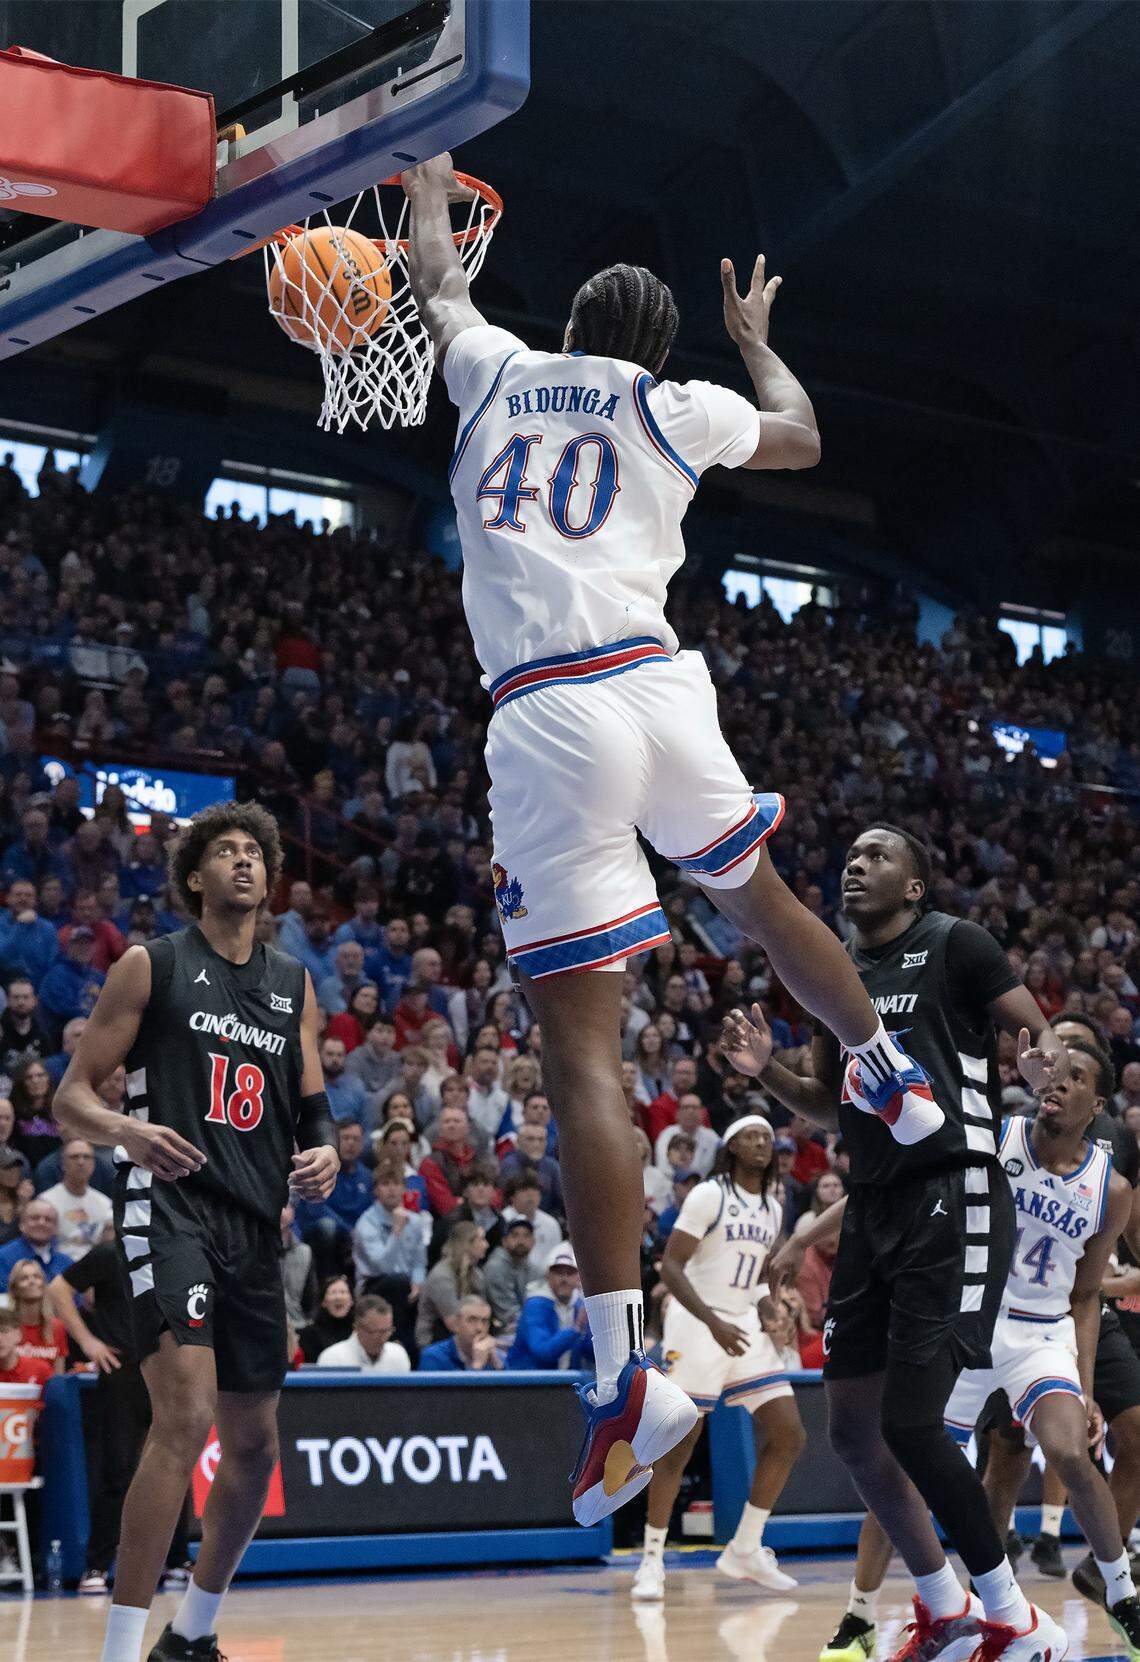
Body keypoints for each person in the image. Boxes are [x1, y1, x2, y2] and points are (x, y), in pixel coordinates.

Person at [404, 154, 939, 1525]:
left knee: (581, 1049)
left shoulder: (500, 370)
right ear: (656, 340)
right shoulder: (678, 401)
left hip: (546, 709)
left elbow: (439, 280)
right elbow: (805, 438)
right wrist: (763, 352)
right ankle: (885, 1072)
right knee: (757, 898)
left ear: (575, 323)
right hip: (658, 682)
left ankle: (620, 1373)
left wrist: (416, 168)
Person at [723, 822, 1070, 1662]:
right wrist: (768, 1070)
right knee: (852, 1431)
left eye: (877, 857)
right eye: (849, 857)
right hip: (873, 1205)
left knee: (914, 1423)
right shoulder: (831, 971)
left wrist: (1042, 1067)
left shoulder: (956, 944)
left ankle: (1016, 1618)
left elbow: (1040, 1034)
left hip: (955, 1192)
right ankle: (945, 1608)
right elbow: (831, 1100)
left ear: (914, 886)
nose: (856, 866)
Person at [53, 802, 338, 1662]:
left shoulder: (294, 984)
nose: (245, 862)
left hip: (254, 1222)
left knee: (254, 1445)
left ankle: (194, 1634)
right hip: (165, 1205)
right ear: (194, 876)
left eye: (256, 851)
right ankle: (117, 1650)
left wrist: (322, 1156)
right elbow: (72, 1098)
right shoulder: (152, 965)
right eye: (226, 851)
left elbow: (315, 1107)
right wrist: (128, 1132)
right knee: (184, 1417)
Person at [631, 1116, 806, 1602]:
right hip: (695, 1323)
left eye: (768, 1137)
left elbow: (752, 1281)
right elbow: (670, 1266)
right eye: (751, 1135)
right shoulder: (711, 1194)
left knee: (789, 1433)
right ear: (730, 1146)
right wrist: (712, 1322)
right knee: (680, 1442)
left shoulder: (774, 1204)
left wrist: (770, 1313)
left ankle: (746, 1546)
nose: (762, 1143)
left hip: (742, 1323)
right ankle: (651, 1561)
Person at [49, 1242, 193, 1597]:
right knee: (117, 1469)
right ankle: (97, 1565)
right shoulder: (111, 1252)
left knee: (175, 1467)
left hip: (172, 1372)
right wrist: (88, 1341)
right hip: (124, 1371)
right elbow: (58, 1289)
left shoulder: (182, 1252)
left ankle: (176, 1561)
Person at [351, 1160, 429, 1349]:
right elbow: (382, 1266)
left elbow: (420, 1262)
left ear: (404, 1188)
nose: (391, 1190)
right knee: (399, 1282)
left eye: (396, 1184)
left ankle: (416, 1349)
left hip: (407, 1285)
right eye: (385, 1184)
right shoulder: (366, 1223)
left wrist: (418, 1283)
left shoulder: (415, 1221)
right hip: (373, 1286)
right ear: (376, 1190)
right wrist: (396, 1232)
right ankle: (396, 1343)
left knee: (422, 1288)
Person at [507, 1242, 593, 1371]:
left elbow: (590, 1352)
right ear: (548, 1276)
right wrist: (576, 1330)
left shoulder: (580, 1305)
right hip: (527, 1382)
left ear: (578, 1277)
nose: (564, 1279)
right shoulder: (535, 1305)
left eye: (570, 1273)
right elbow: (542, 1352)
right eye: (558, 1272)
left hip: (565, 1382)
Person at [415, 1219, 487, 1350]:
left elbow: (483, 1311)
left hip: (468, 1335)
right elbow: (454, 1324)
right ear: (467, 1243)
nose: (486, 1245)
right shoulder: (442, 1276)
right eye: (481, 1240)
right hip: (435, 1338)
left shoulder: (476, 1273)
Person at [38, 1137, 113, 1260]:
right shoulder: (46, 1202)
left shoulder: (104, 1203)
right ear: (63, 1164)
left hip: (96, 1268)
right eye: (74, 1157)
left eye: (86, 1157)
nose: (81, 1162)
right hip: (58, 1267)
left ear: (93, 1164)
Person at [315, 1293, 411, 1375]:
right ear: (357, 1327)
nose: (382, 1338)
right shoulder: (333, 1359)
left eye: (387, 1331)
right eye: (375, 1332)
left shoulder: (398, 1354)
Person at [8, 1256, 68, 1376]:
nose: (32, 1281)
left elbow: (58, 1377)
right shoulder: (5, 1328)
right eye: (24, 1278)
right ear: (14, 1289)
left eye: (37, 1277)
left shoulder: (57, 1327)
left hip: (46, 1392)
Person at [0, 1195, 72, 1288]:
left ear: (56, 1228)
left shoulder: (66, 1263)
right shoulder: (3, 1258)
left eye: (48, 1220)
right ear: (22, 1224)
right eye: (34, 1218)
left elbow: (75, 1300)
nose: (41, 1223)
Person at [418, 1294, 503, 1370]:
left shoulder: (494, 1356)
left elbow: (510, 1386)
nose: (479, 1328)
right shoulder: (433, 1357)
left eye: (484, 1321)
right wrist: (477, 1366)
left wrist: (497, 1365)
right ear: (456, 1324)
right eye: (472, 1320)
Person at [482, 1215, 536, 1333]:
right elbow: (507, 1314)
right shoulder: (495, 1267)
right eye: (515, 1235)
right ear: (504, 1241)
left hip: (524, 1328)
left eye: (526, 1235)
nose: (521, 1241)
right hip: (500, 1332)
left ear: (533, 1242)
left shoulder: (534, 1268)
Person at [298, 1275, 355, 1365]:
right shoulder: (308, 1335)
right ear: (323, 1302)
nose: (338, 1297)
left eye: (343, 1292)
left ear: (351, 1301)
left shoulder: (359, 1333)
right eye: (333, 1292)